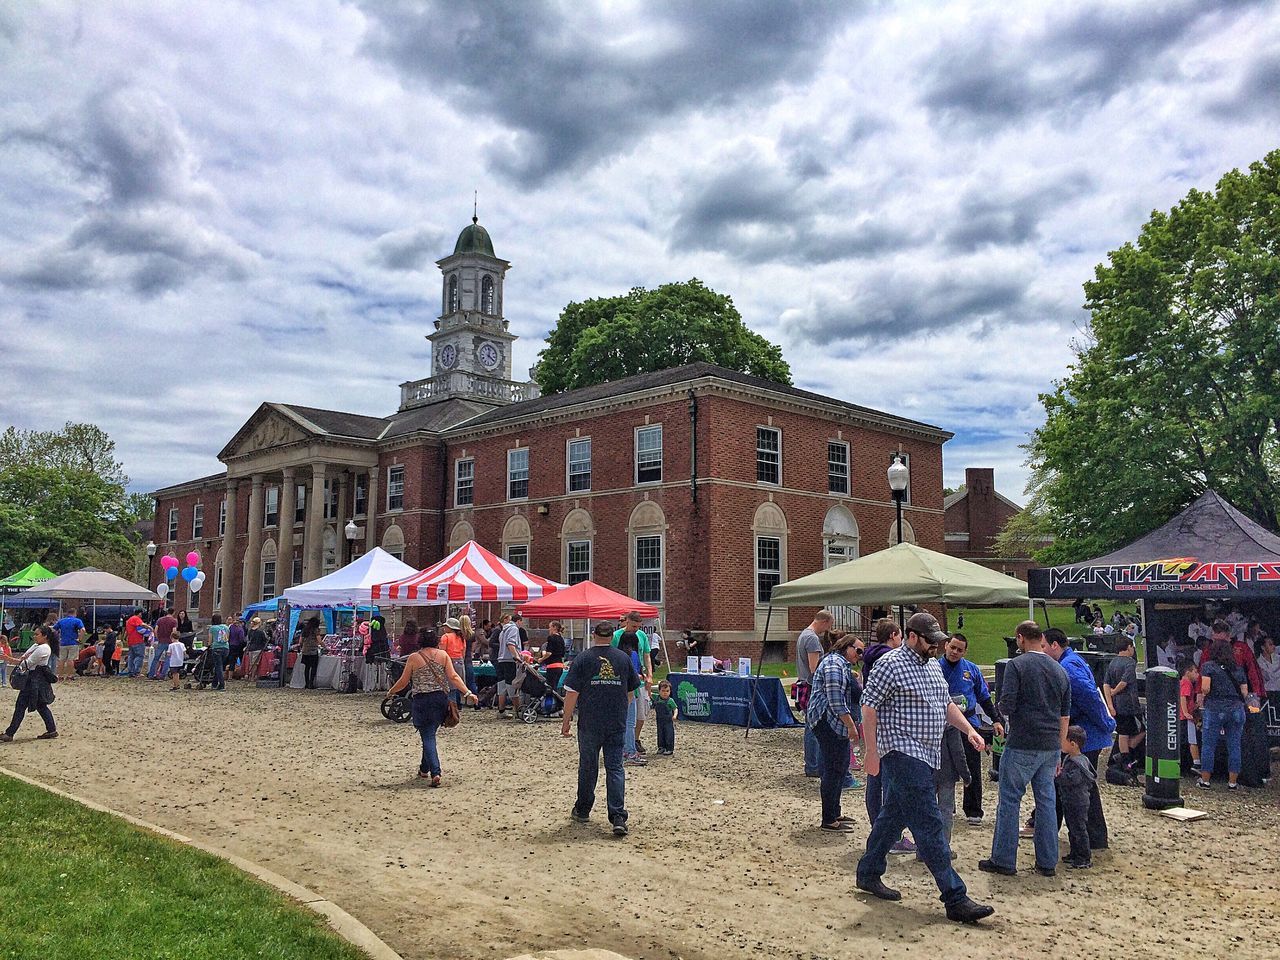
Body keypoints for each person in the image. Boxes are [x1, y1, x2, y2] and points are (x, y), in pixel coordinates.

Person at [855, 612, 992, 924]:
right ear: (912, 636)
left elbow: (946, 705)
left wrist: (969, 729)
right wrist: (871, 751)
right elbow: (868, 706)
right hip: (901, 751)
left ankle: (868, 871)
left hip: (927, 753)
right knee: (929, 822)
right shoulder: (889, 664)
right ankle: (955, 896)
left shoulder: (932, 665)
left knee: (894, 815)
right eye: (931, 640)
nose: (936, 646)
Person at [982, 621, 1070, 878]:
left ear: (1020, 639)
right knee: (1046, 802)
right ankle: (1047, 862)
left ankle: (1004, 860)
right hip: (1050, 744)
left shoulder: (1016, 665)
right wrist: (1059, 748)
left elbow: (1007, 705)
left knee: (1010, 801)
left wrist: (1000, 705)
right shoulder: (1059, 669)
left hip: (1022, 741)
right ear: (1041, 638)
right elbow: (1065, 715)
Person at [562, 621, 642, 836]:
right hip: (616, 721)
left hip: (590, 722)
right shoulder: (623, 659)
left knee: (588, 767)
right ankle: (617, 815)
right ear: (611, 636)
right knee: (615, 767)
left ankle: (583, 808)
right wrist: (621, 711)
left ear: (594, 635)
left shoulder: (584, 658)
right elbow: (631, 692)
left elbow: (572, 693)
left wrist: (566, 720)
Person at [385, 631, 478, 786]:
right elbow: (453, 677)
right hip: (440, 699)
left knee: (428, 736)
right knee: (429, 734)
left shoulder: (414, 657)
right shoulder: (443, 655)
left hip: (422, 700)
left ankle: (436, 772)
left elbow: (404, 680)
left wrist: (391, 691)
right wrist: (468, 692)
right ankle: (423, 769)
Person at [940, 632, 1004, 825]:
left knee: (972, 767)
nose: (955, 652)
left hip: (969, 724)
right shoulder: (934, 667)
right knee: (943, 767)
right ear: (946, 646)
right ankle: (946, 805)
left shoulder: (971, 670)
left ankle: (973, 810)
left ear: (965, 652)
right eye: (952, 647)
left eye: (959, 650)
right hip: (942, 725)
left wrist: (996, 719)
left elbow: (984, 697)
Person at [861, 618, 911, 852]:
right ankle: (890, 836)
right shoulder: (888, 659)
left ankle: (878, 829)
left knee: (875, 779)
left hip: (874, 723)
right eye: (899, 635)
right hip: (886, 722)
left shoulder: (870, 657)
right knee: (890, 781)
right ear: (893, 635)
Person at [807, 634, 864, 832]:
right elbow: (836, 700)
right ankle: (828, 819)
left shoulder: (841, 664)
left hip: (833, 721)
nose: (860, 655)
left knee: (839, 766)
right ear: (846, 647)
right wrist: (851, 726)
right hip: (827, 721)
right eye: (858, 650)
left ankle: (835, 811)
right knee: (833, 769)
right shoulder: (834, 665)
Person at [1197, 637, 1249, 790]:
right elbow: (1244, 692)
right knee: (1234, 745)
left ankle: (1205, 781)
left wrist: (1204, 697)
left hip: (1215, 707)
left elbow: (1205, 688)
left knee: (1208, 745)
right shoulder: (1238, 668)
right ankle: (1232, 783)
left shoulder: (1208, 667)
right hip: (1236, 709)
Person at [0, 624, 60, 741]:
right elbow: (24, 659)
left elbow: (26, 663)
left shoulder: (43, 648)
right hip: (34, 678)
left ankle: (10, 733)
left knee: (21, 705)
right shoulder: (37, 646)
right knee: (40, 705)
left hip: (35, 679)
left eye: (37, 634)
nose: (34, 636)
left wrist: (9, 659)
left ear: (45, 636)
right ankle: (51, 730)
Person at [612, 611, 653, 764]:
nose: (636, 629)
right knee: (629, 720)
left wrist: (648, 674)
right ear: (626, 622)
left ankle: (627, 747)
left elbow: (647, 655)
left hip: (632, 683)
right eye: (634, 626)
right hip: (629, 685)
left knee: (635, 717)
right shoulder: (618, 637)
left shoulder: (640, 637)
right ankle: (628, 750)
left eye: (638, 627)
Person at [796, 610, 833, 778]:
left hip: (804, 683)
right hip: (812, 686)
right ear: (824, 622)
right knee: (813, 726)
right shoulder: (812, 638)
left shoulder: (804, 634)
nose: (828, 630)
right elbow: (814, 667)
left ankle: (812, 764)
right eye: (828, 626)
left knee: (810, 725)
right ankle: (813, 765)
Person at [1056, 725, 1094, 869]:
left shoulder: (1078, 763)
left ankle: (1084, 856)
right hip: (1070, 800)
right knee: (1072, 828)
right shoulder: (1070, 759)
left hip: (1078, 801)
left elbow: (1073, 780)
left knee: (1079, 829)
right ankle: (1075, 853)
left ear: (1073, 743)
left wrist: (1059, 776)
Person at [1103, 635, 1144, 762]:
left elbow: (1106, 683)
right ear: (1128, 647)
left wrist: (1109, 704)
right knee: (1143, 729)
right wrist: (1115, 691)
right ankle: (1126, 755)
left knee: (1122, 732)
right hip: (1130, 704)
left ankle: (1123, 757)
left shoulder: (1112, 662)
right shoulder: (1130, 663)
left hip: (1117, 705)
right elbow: (1125, 681)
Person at [496, 614, 523, 716]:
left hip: (501, 659)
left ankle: (501, 710)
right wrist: (517, 657)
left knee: (502, 686)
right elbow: (510, 644)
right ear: (518, 621)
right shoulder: (514, 629)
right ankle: (518, 710)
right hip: (509, 660)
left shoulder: (503, 630)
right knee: (513, 685)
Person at [1179, 657, 1202, 772]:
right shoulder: (1186, 683)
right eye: (1195, 672)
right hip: (1186, 717)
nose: (1197, 675)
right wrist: (1186, 712)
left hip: (1186, 715)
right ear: (1188, 672)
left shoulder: (1183, 683)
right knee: (1192, 740)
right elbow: (1183, 697)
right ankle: (1196, 762)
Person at [438, 618, 467, 706]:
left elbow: (442, 652)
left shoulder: (445, 637)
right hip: (460, 661)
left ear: (450, 627)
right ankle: (459, 704)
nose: (444, 628)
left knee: (449, 687)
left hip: (449, 661)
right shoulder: (461, 638)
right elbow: (463, 652)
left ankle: (451, 707)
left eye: (446, 626)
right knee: (457, 684)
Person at [53, 609, 86, 681]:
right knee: (71, 660)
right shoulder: (77, 621)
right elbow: (83, 630)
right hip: (73, 642)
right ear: (75, 613)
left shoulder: (61, 621)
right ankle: (69, 676)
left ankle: (60, 676)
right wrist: (79, 639)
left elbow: (54, 629)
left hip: (63, 643)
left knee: (61, 660)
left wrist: (58, 638)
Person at [540, 620, 567, 693]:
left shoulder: (551, 638)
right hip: (560, 665)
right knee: (555, 686)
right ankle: (556, 701)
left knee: (550, 687)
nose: (549, 629)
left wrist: (541, 659)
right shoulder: (561, 638)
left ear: (554, 627)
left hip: (552, 665)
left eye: (550, 627)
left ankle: (551, 702)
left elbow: (549, 653)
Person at [652, 679, 678, 755]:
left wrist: (675, 715)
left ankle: (669, 748)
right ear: (659, 691)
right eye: (663, 691)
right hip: (659, 720)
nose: (665, 693)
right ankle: (661, 747)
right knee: (660, 733)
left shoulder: (670, 701)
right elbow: (649, 694)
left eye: (667, 691)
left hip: (668, 721)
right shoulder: (656, 698)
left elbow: (675, 708)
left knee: (669, 734)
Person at [150, 608, 178, 680]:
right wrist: (173, 640)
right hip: (169, 641)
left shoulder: (160, 620)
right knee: (168, 658)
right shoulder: (174, 621)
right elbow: (174, 631)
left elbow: (155, 630)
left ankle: (151, 674)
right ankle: (163, 675)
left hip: (161, 641)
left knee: (156, 658)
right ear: (173, 613)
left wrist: (158, 637)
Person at [124, 609, 152, 678]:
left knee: (131, 656)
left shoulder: (129, 620)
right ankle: (136, 671)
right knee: (140, 656)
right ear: (139, 613)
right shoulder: (136, 618)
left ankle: (130, 671)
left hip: (131, 641)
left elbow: (126, 631)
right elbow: (142, 624)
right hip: (137, 641)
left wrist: (125, 637)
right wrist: (150, 627)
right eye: (141, 614)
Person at [206, 614, 229, 690]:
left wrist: (209, 645)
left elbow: (210, 639)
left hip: (216, 647)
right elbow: (227, 638)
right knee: (219, 666)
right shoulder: (226, 627)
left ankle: (222, 684)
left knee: (218, 666)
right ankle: (214, 683)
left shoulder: (212, 628)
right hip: (225, 648)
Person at [300, 616, 322, 689]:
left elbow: (300, 641)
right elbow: (319, 641)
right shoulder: (316, 630)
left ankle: (306, 683)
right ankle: (311, 683)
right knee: (313, 667)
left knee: (307, 667)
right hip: (313, 651)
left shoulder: (305, 630)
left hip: (305, 650)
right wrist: (325, 647)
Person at [244, 616, 268, 682]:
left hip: (251, 648)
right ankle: (252, 677)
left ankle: (249, 675)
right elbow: (265, 640)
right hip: (258, 649)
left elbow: (248, 640)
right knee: (255, 664)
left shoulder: (250, 631)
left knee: (251, 663)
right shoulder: (261, 632)